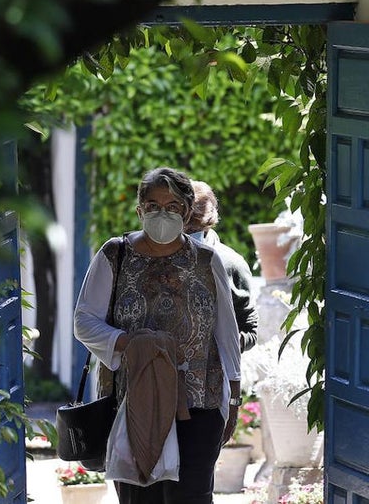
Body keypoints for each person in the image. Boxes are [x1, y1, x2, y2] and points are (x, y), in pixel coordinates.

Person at [74, 167, 242, 503]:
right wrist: (131, 344)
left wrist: (233, 402)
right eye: (152, 205)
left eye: (172, 205)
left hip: (199, 406)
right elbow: (84, 321)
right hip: (131, 403)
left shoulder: (208, 261)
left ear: (187, 211)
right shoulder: (115, 255)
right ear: (139, 210)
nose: (161, 213)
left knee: (192, 497)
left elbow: (227, 335)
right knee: (139, 498)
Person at [184, 180, 259, 353]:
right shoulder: (153, 258)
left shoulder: (230, 263)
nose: (184, 239)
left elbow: (250, 330)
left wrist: (218, 345)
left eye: (192, 231)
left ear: (208, 224)